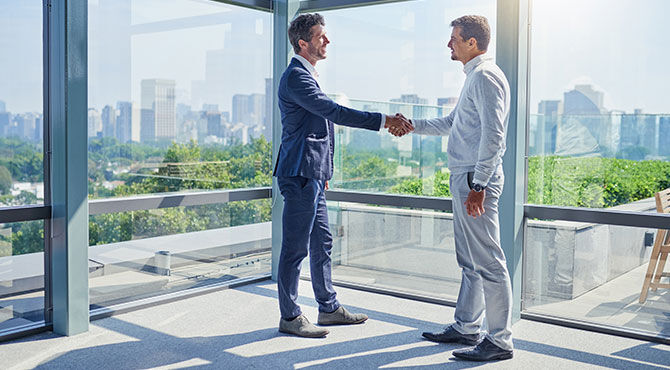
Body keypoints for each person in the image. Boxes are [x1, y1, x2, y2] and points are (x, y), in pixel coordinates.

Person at [274, 13, 412, 338]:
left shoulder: (308, 74)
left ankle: (328, 308)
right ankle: (290, 316)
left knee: (322, 241)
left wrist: (326, 172)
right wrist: (383, 120)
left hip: (314, 175)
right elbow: (333, 114)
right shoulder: (296, 77)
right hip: (299, 174)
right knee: (295, 248)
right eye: (321, 36)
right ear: (303, 42)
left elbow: (321, 130)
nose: (327, 41)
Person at [396, 15, 514, 361]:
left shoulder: (486, 76)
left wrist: (479, 183)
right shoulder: (474, 77)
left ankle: (500, 341)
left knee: (489, 262)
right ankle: (466, 327)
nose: (450, 44)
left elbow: (495, 135)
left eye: (455, 39)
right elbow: (452, 124)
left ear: (472, 43)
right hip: (465, 178)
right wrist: (412, 126)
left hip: (474, 181)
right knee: (470, 260)